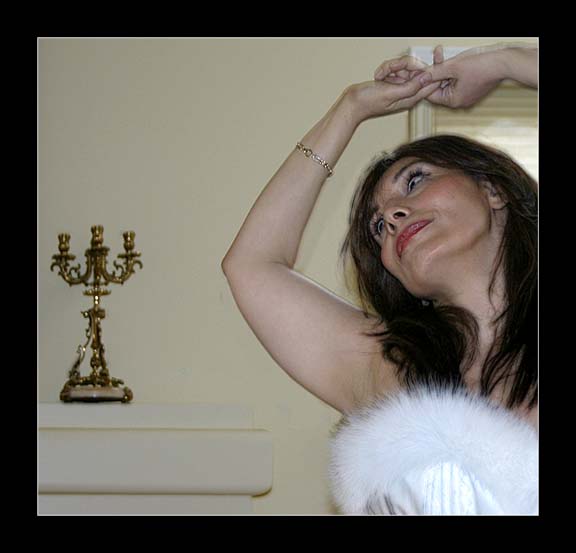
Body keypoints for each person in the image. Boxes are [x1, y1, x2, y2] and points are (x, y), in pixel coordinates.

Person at [221, 43, 538, 515]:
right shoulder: (386, 367)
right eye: (377, 227)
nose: (391, 216)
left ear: (492, 189)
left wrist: (504, 62)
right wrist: (351, 108)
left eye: (415, 180)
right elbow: (252, 265)